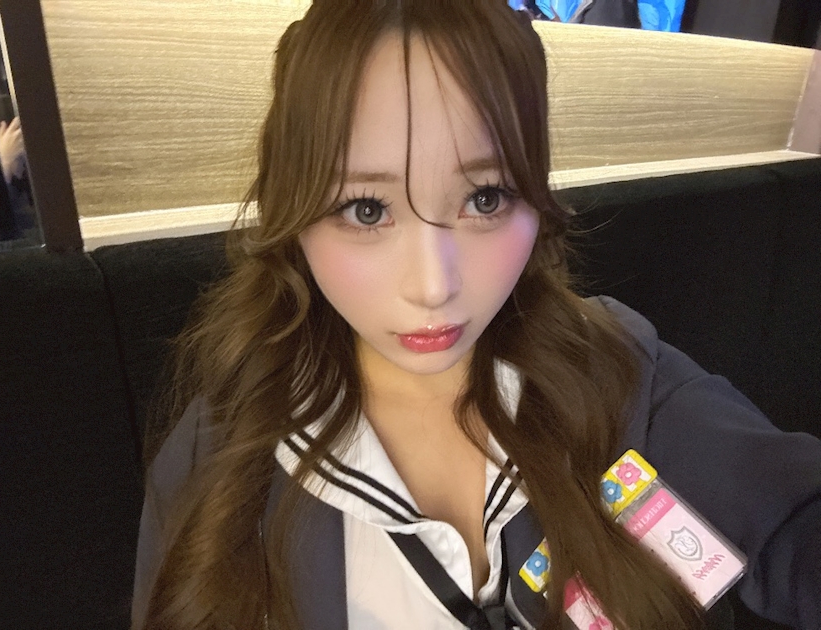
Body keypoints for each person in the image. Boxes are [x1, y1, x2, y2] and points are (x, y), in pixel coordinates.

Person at [131, 2, 821, 629]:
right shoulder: (220, 456)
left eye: (485, 198)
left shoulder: (620, 373)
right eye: (366, 210)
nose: (435, 286)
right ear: (292, 216)